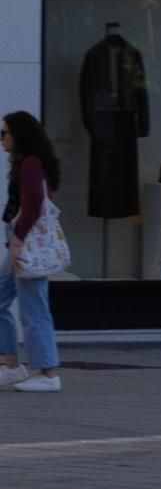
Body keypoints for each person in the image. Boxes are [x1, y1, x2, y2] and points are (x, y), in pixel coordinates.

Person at [1, 111, 62, 392]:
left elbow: (34, 205)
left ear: (19, 134)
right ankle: (13, 367)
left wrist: (17, 242)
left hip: (25, 243)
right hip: (20, 240)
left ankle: (48, 374)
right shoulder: (26, 163)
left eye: (4, 133)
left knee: (34, 307)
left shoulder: (30, 163)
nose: (1, 139)